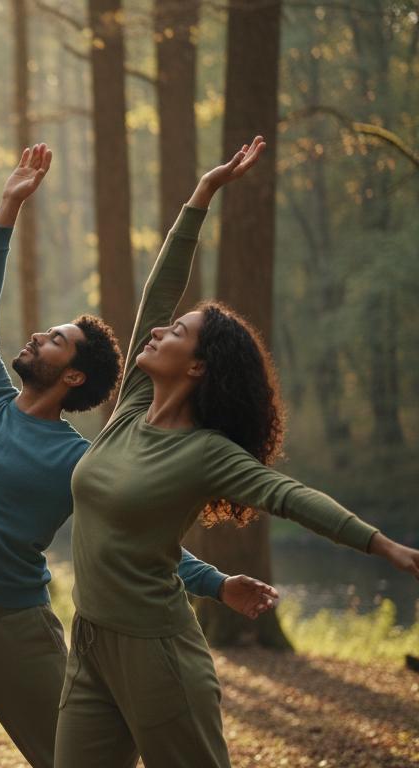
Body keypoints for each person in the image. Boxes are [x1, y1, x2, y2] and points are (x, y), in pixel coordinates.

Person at [0, 144, 277, 768]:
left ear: (71, 379)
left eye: (56, 339)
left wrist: (218, 584)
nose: (38, 335)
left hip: (19, 635)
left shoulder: (79, 461)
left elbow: (142, 542)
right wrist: (8, 208)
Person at [56, 136, 419, 767]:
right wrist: (202, 195)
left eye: (179, 333)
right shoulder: (132, 410)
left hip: (158, 656)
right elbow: (158, 295)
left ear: (197, 368)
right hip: (89, 645)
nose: (160, 330)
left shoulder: (207, 453)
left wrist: (382, 545)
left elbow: (289, 495)